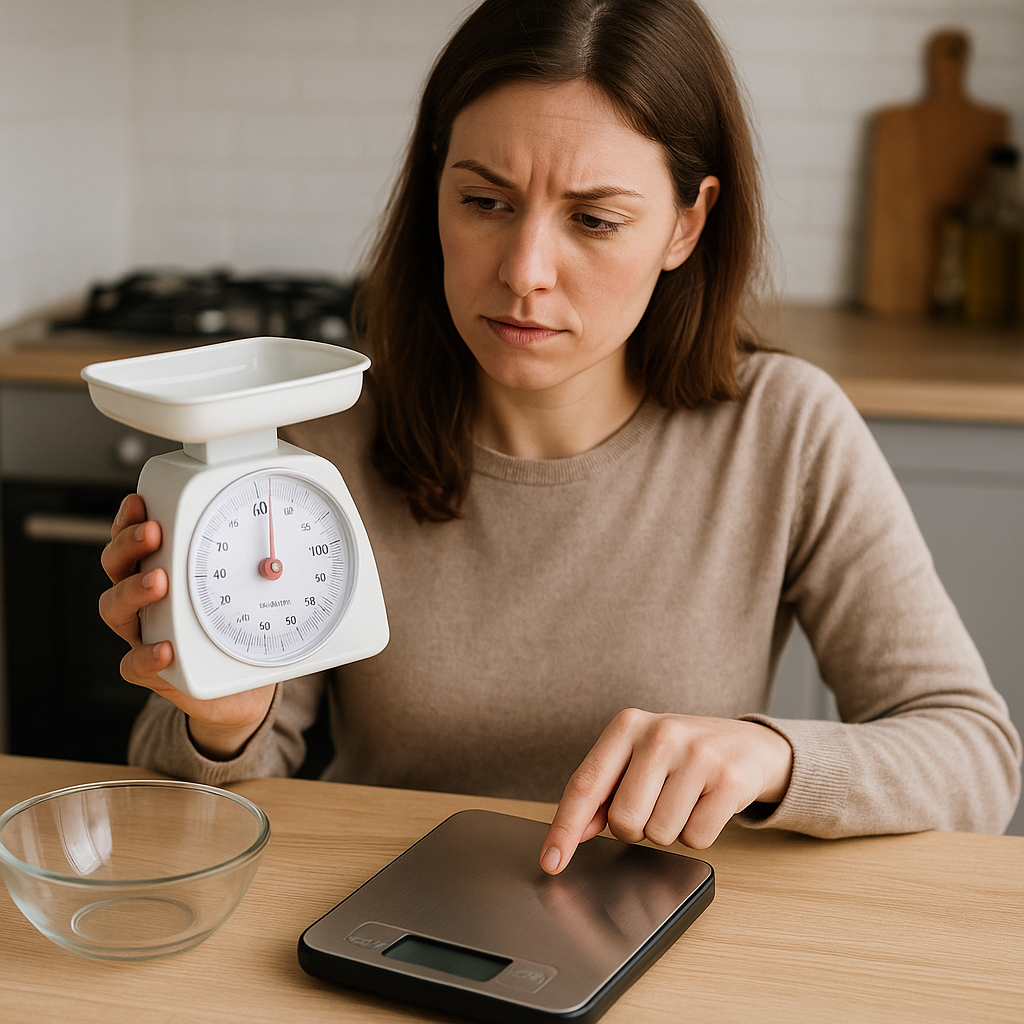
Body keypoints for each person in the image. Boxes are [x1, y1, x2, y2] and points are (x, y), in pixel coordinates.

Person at [100, 0, 1021, 873]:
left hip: (668, 932)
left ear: (686, 225)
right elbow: (188, 817)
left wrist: (770, 754)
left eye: (594, 219)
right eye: (485, 203)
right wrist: (220, 720)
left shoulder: (785, 431)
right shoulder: (316, 436)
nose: (525, 272)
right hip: (382, 914)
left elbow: (975, 756)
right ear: (434, 191)